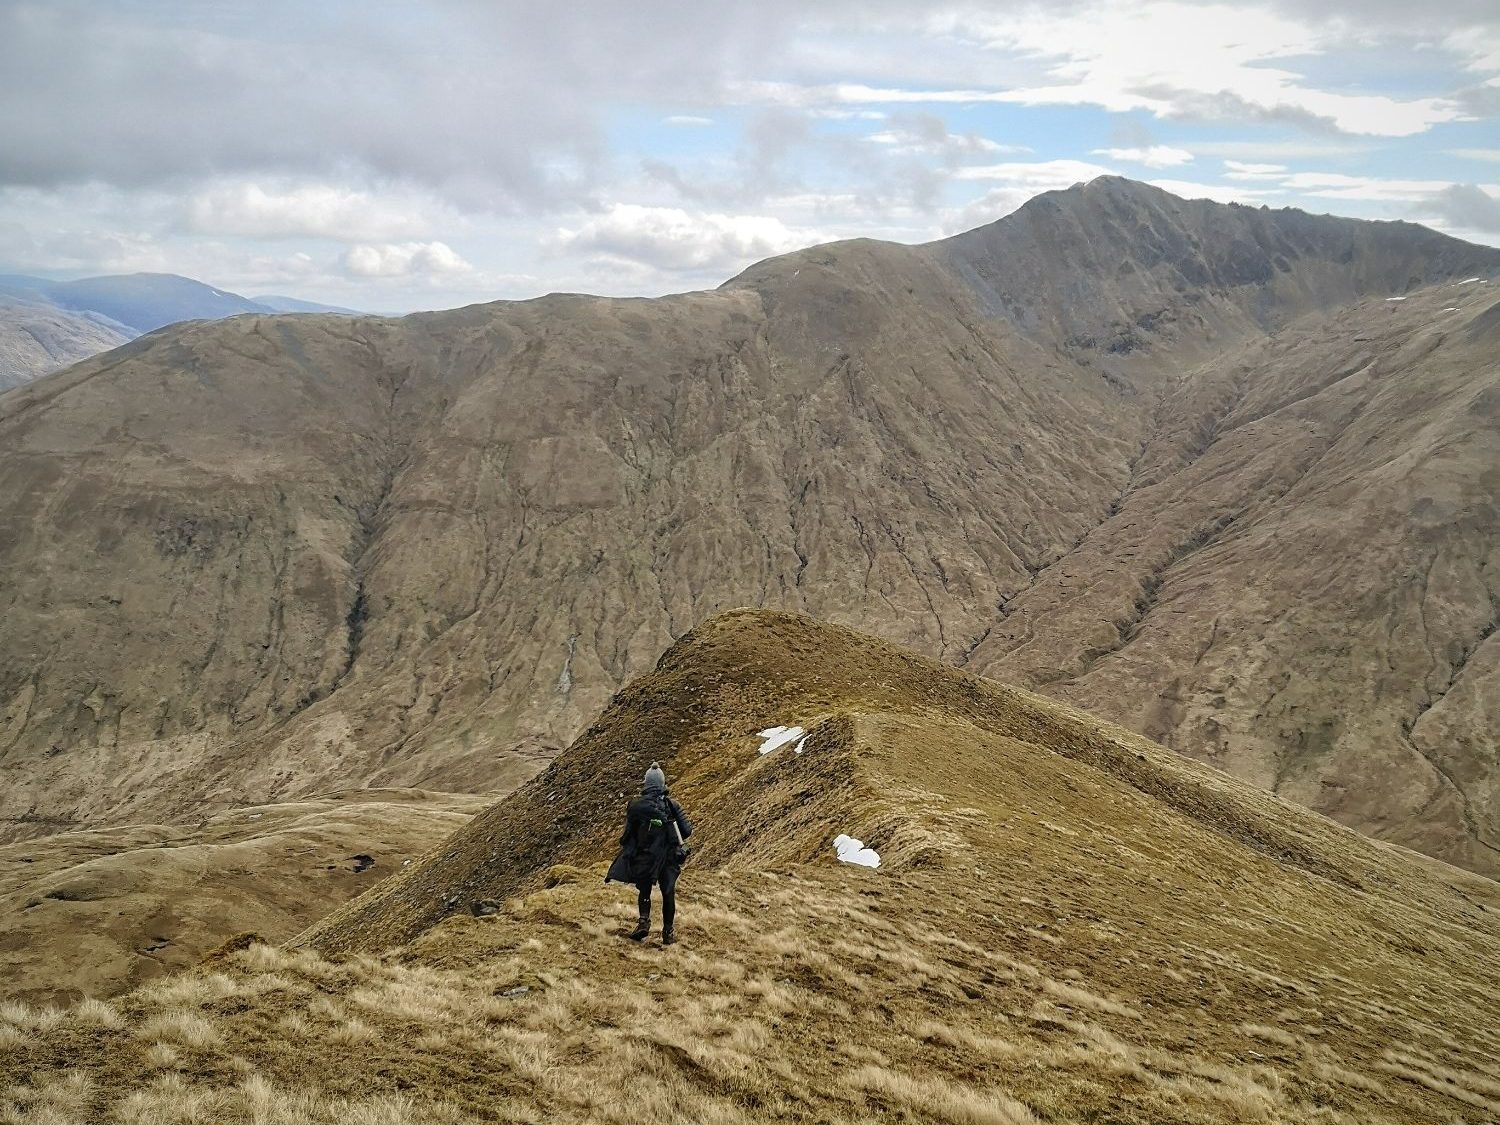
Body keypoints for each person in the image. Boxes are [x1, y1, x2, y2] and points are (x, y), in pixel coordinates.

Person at [605, 762, 692, 945]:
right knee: (668, 892)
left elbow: (628, 834)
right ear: (662, 783)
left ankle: (643, 921)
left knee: (644, 888)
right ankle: (668, 932)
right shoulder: (671, 805)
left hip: (645, 856)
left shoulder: (636, 806)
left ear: (646, 783)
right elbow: (686, 831)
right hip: (668, 857)